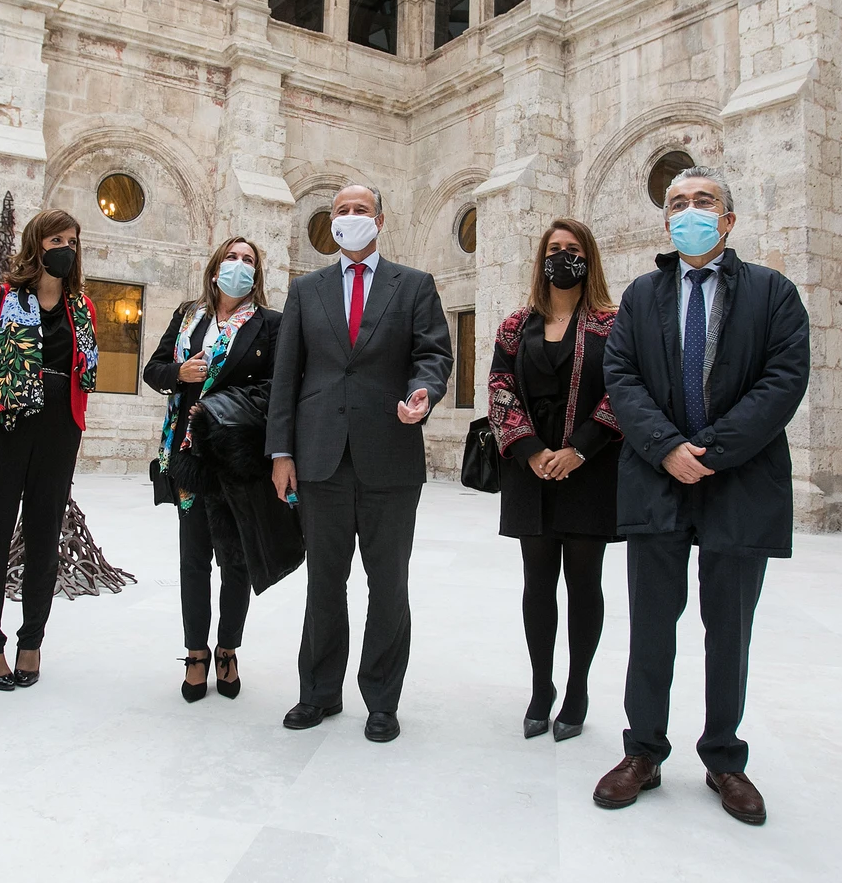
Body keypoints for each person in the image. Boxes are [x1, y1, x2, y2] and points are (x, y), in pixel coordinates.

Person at [594, 166, 810, 827]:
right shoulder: (640, 296)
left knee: (730, 629)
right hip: (657, 479)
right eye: (677, 203)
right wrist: (667, 448)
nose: (689, 211)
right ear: (667, 223)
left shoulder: (772, 293)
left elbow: (783, 379)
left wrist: (709, 452)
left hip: (739, 482)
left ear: (728, 219)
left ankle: (724, 756)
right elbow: (621, 377)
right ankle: (644, 750)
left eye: (703, 201)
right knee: (652, 625)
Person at [267, 184, 453, 744]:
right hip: (320, 457)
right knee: (325, 582)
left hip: (390, 456)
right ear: (331, 222)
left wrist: (423, 392)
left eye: (361, 210)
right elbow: (287, 376)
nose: (351, 218)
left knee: (388, 583)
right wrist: (281, 452)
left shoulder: (414, 285)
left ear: (380, 218)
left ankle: (381, 700)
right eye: (341, 211)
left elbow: (433, 353)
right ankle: (319, 693)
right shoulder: (307, 290)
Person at [488, 218, 621, 741]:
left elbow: (625, 391)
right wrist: (532, 451)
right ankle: (541, 687)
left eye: (572, 249)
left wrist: (579, 449)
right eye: (553, 248)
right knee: (537, 583)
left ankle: (578, 688)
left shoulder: (614, 323)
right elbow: (499, 389)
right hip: (531, 470)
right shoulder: (515, 325)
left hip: (590, 469)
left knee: (585, 583)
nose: (562, 256)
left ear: (588, 258)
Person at [0, 209, 98, 692]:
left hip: (60, 427)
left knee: (44, 537)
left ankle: (32, 641)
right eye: (57, 238)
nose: (67, 247)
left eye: (73, 240)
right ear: (36, 244)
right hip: (4, 424)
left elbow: (83, 372)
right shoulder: (0, 297)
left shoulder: (83, 306)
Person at [143, 236, 281, 702]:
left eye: (248, 261)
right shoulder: (188, 316)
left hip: (237, 458)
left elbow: (276, 389)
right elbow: (154, 369)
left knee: (236, 560)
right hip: (187, 458)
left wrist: (223, 406)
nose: (239, 266)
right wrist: (179, 373)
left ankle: (228, 649)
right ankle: (197, 652)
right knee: (194, 558)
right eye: (232, 257)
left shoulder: (269, 325)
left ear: (256, 274)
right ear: (216, 266)